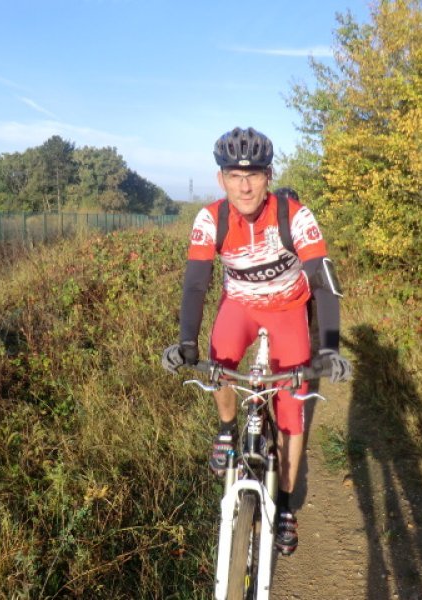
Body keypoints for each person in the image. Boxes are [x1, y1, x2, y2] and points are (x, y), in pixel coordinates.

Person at [162, 126, 351, 556]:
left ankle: (284, 504)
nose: (244, 186)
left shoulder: (294, 215)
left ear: (268, 176)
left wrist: (329, 348)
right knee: (220, 361)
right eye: (234, 175)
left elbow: (323, 282)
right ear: (221, 179)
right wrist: (186, 343)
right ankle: (227, 429)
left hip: (288, 310)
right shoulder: (211, 219)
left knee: (291, 409)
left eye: (253, 175)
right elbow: (195, 284)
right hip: (240, 306)